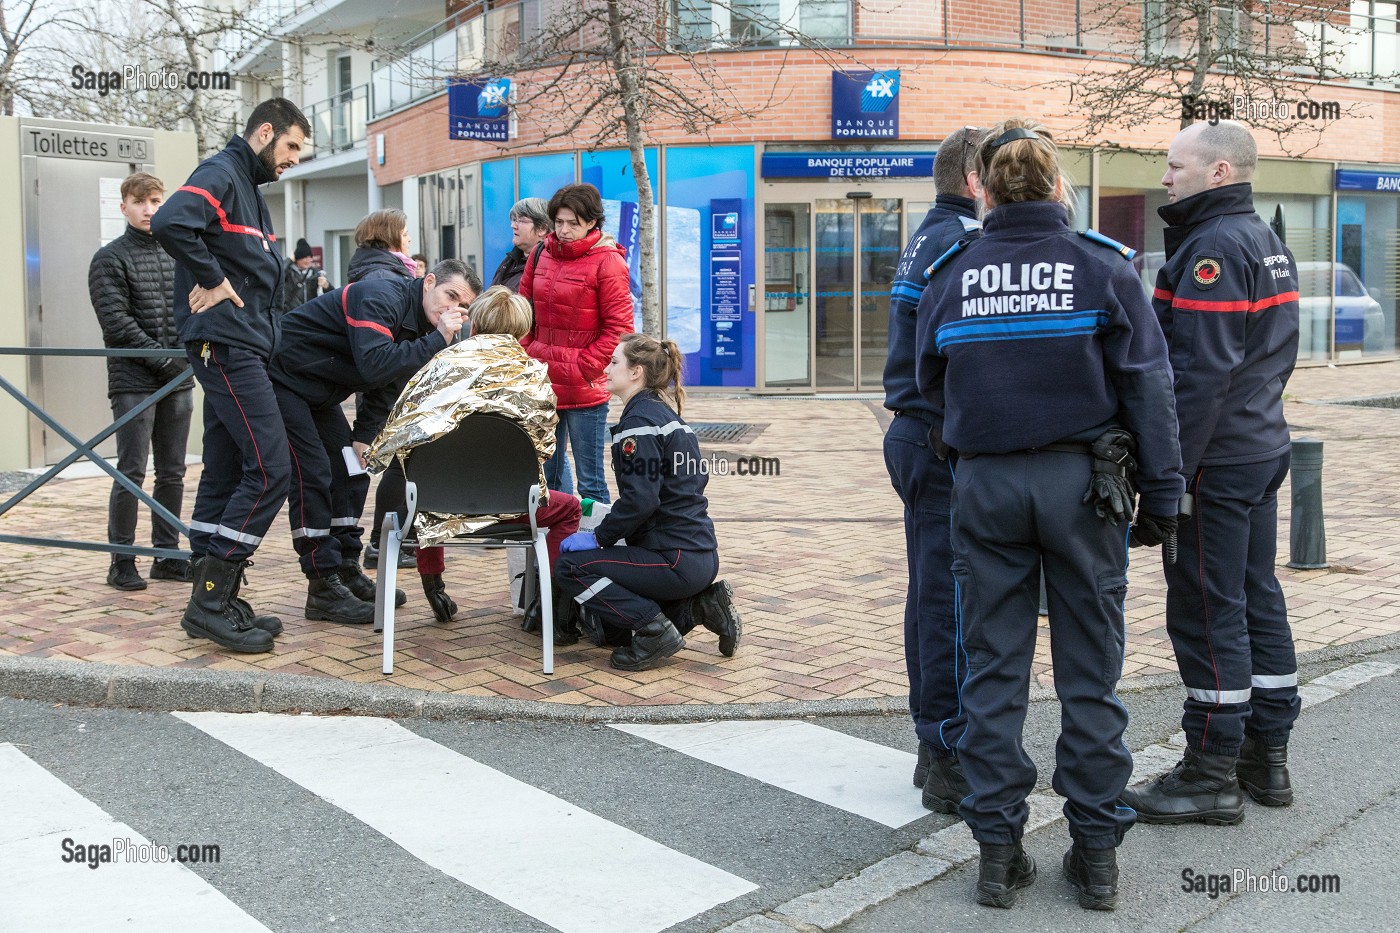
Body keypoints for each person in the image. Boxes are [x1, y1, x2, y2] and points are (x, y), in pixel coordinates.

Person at [916, 118, 1183, 911]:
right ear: (1059, 187)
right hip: (1084, 488)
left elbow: (924, 386)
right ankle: (1096, 852)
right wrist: (1161, 495)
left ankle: (998, 853)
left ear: (985, 192)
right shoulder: (1102, 266)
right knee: (1089, 673)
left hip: (986, 486)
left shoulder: (953, 271)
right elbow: (1150, 388)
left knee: (993, 672)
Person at [1119, 120, 1302, 825]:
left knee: (1205, 607)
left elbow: (1195, 378)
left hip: (1216, 463)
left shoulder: (1215, 248)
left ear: (1219, 172)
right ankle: (1267, 752)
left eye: (1175, 165)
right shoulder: (1262, 239)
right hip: (1258, 447)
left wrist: (1167, 479)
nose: (1166, 177)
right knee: (1256, 594)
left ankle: (1210, 771)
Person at [151, 97, 309, 653]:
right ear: (264, 132)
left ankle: (215, 595)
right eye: (290, 146)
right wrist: (213, 279)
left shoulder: (249, 187)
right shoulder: (222, 171)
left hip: (242, 346)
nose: (292, 159)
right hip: (227, 345)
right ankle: (210, 601)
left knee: (224, 469)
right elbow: (171, 221)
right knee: (270, 469)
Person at [267, 260, 473, 624]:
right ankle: (322, 585)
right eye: (449, 295)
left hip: (322, 392)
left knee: (353, 470)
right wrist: (437, 339)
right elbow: (375, 364)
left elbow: (389, 383)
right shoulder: (381, 296)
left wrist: (364, 435)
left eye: (461, 306)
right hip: (284, 378)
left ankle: (346, 568)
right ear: (428, 283)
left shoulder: (424, 326)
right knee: (313, 473)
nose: (451, 309)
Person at [366, 286, 583, 625]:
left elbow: (404, 437)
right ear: (524, 330)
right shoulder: (534, 376)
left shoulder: (438, 367)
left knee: (428, 479)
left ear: (475, 325)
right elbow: (544, 449)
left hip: (435, 502)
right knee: (568, 508)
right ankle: (551, 605)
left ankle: (433, 584)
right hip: (512, 507)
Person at [882, 126, 984, 812]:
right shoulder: (961, 241)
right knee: (947, 602)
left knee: (931, 597)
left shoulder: (932, 231)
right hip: (937, 439)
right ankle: (947, 749)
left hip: (917, 434)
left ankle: (933, 744)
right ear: (977, 178)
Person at [554, 333, 742, 671]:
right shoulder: (668, 419)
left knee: (571, 567)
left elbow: (641, 500)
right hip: (698, 556)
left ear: (636, 372)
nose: (607, 368)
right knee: (613, 630)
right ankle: (701, 606)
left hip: (672, 559)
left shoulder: (639, 423)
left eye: (614, 362)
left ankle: (656, 633)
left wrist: (598, 537)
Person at [89, 171, 195, 591]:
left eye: (155, 201)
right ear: (124, 207)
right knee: (131, 470)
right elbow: (116, 324)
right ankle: (122, 560)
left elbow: (195, 309)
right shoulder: (109, 258)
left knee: (173, 472)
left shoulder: (179, 254)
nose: (149, 210)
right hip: (134, 377)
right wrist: (168, 364)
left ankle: (166, 556)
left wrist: (187, 361)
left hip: (180, 378)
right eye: (140, 202)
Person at [519, 183, 633, 504]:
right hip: (543, 383)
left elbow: (619, 329)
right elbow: (522, 310)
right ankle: (558, 548)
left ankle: (600, 549)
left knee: (591, 482)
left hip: (585, 388)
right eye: (559, 222)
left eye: (573, 223)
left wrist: (584, 367)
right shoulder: (542, 253)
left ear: (592, 223)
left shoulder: (608, 261)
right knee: (548, 479)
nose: (564, 230)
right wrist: (531, 354)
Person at [490, 197, 550, 291]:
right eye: (514, 219)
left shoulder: (546, 267)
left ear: (542, 229)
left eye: (522, 221)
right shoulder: (510, 260)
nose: (513, 226)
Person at [278, 238, 333, 313]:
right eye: (305, 257)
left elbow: (332, 293)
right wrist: (289, 259)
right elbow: (278, 274)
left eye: (310, 257)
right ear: (297, 258)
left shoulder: (315, 273)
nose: (309, 260)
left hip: (309, 314)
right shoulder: (288, 272)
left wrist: (326, 285)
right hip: (290, 313)